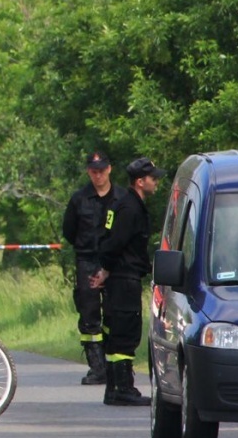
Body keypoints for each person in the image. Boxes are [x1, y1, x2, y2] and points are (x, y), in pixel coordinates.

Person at [89, 157, 164, 407]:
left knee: (115, 331)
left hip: (119, 277)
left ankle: (114, 388)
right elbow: (115, 243)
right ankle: (123, 388)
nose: (157, 183)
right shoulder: (130, 208)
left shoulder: (124, 204)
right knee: (125, 333)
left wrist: (105, 270)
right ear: (140, 182)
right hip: (124, 279)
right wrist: (108, 269)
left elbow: (108, 240)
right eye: (153, 178)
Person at [62, 152, 127, 385]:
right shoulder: (79, 198)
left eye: (101, 170)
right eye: (93, 170)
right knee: (89, 316)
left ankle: (113, 366)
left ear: (109, 169)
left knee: (113, 314)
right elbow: (69, 231)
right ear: (88, 171)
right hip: (87, 261)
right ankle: (97, 368)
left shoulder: (122, 197)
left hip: (114, 263)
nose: (97, 174)